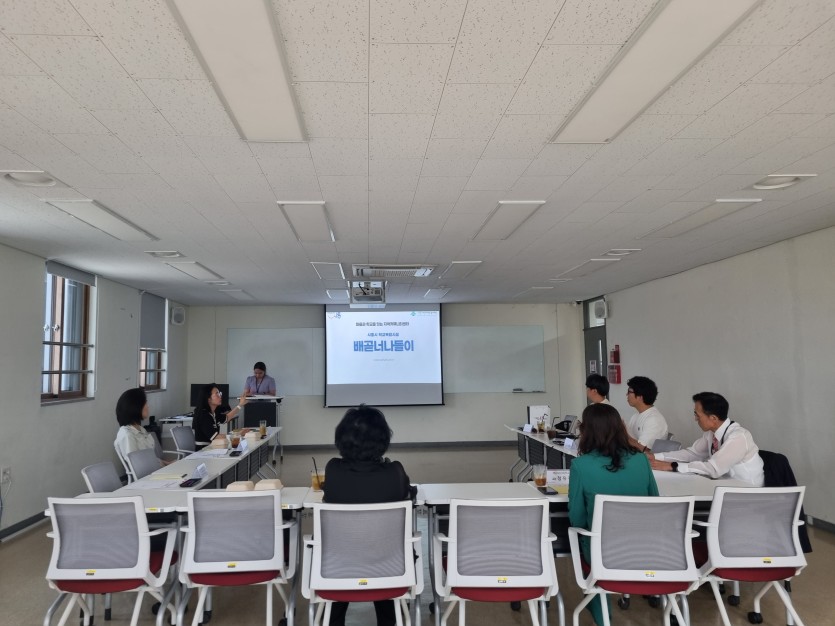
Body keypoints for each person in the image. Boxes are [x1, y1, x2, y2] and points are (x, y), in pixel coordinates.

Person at [322, 405, 415, 626]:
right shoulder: (395, 472)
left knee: (344, 553)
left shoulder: (333, 470)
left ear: (342, 438)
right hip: (389, 565)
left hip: (339, 565)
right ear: (383, 440)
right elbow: (409, 494)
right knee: (383, 550)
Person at [569, 403, 659, 626]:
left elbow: (577, 519)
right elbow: (655, 503)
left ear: (587, 432)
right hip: (646, 548)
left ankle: (601, 612)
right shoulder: (640, 460)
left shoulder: (580, 466)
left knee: (582, 538)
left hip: (603, 553)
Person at [649, 392, 764, 486]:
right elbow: (692, 454)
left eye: (697, 415)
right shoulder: (711, 433)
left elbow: (714, 469)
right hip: (725, 486)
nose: (695, 419)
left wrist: (672, 466)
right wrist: (655, 457)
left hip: (748, 494)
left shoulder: (738, 437)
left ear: (713, 418)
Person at [114, 387, 171, 467]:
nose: (148, 407)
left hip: (155, 469)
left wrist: (167, 463)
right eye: (145, 403)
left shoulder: (141, 429)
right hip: (149, 473)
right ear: (135, 407)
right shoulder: (127, 435)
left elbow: (151, 458)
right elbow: (137, 464)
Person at [192, 383, 248, 448]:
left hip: (213, 447)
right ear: (209, 399)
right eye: (217, 394)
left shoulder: (213, 413)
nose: (220, 396)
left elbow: (227, 418)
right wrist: (237, 434)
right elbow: (216, 437)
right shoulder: (203, 415)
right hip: (203, 450)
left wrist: (240, 405)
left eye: (220, 393)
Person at [624, 375, 668, 452]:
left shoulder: (654, 420)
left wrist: (622, 431)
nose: (626, 394)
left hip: (645, 458)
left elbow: (641, 449)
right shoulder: (635, 416)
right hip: (633, 455)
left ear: (640, 397)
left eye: (629, 392)